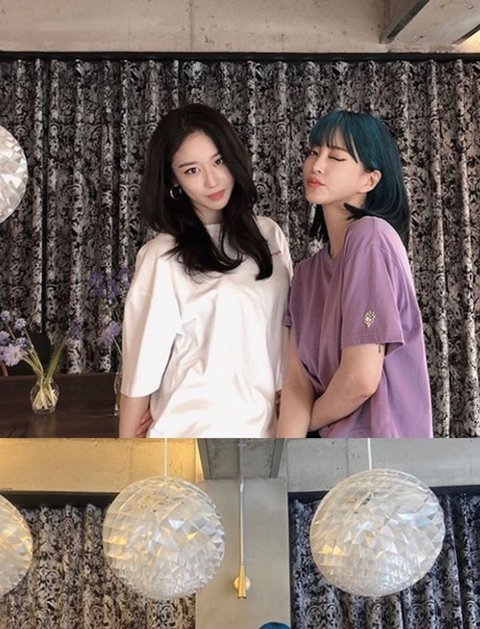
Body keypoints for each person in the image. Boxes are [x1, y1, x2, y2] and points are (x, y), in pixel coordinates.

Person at [119, 103, 292, 438]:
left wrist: (292, 396)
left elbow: (287, 330)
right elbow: (141, 370)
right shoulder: (162, 257)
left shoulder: (269, 235)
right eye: (192, 170)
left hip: (269, 435)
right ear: (174, 180)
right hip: (191, 436)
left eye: (219, 161)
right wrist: (128, 455)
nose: (212, 180)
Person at [277, 109, 433, 438]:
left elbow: (361, 379)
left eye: (336, 157)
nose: (317, 165)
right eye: (313, 152)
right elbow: (296, 384)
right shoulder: (304, 276)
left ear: (369, 180)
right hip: (327, 457)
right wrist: (284, 460)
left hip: (380, 455)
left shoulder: (370, 237)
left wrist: (308, 421)